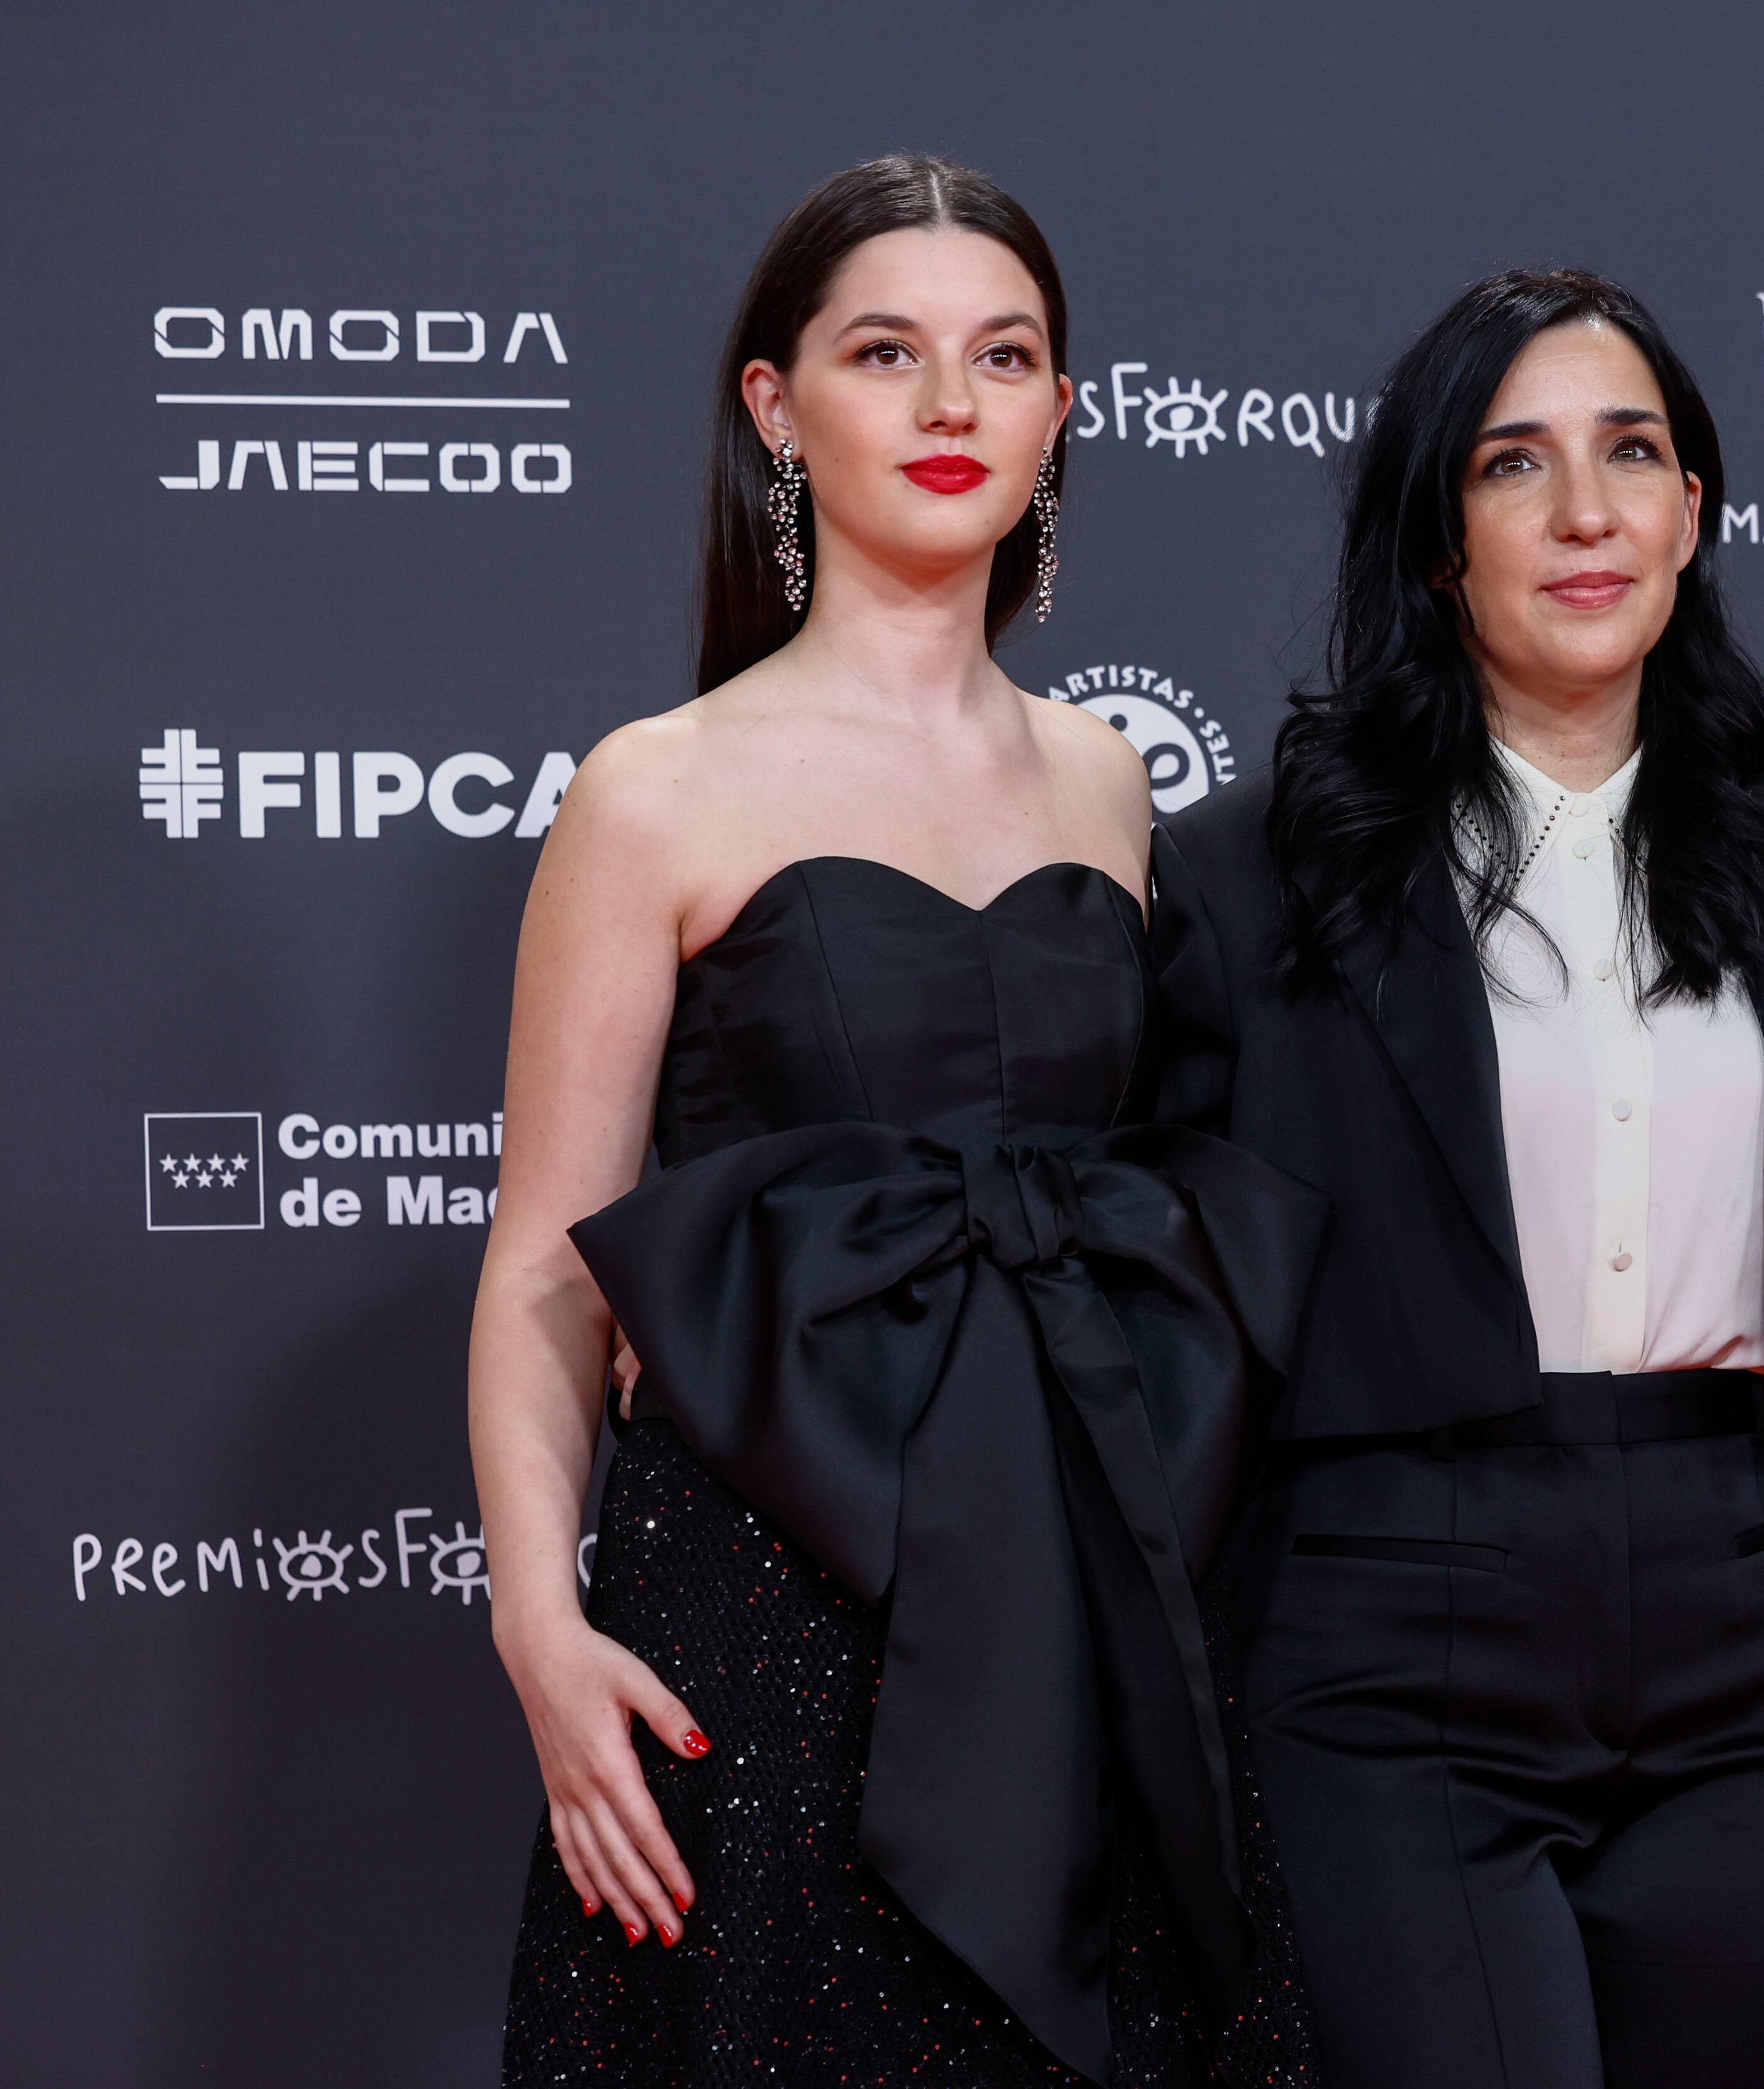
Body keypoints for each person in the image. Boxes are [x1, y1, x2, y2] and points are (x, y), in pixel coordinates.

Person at [467, 155, 1323, 2089]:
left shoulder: (1110, 782)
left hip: (1087, 1591)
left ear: (1059, 414)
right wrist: (541, 1626)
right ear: (777, 406)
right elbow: (549, 1249)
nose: (953, 406)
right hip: (765, 1614)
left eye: (1004, 358)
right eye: (888, 353)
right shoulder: (658, 788)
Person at [1148, 267, 1764, 2089]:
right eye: (1513, 464)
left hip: (1747, 1617)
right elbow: (1146, 1288)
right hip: (1382, 1623)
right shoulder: (1250, 880)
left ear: (1697, 507)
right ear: (1435, 532)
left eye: (1632, 454)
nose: (1587, 513)